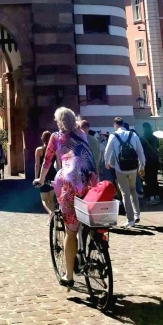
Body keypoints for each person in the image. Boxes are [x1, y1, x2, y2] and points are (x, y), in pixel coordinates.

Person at [33, 107, 97, 287]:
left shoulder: (56, 137)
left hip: (70, 184)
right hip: (91, 182)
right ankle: (94, 246)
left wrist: (40, 179)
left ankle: (69, 276)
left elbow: (47, 161)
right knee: (89, 219)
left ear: (58, 122)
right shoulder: (82, 134)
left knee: (71, 232)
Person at [104, 117, 145, 228]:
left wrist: (106, 162)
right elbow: (140, 151)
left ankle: (130, 219)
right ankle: (137, 214)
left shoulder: (113, 136)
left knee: (125, 193)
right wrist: (142, 165)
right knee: (133, 190)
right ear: (123, 124)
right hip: (133, 168)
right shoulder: (133, 135)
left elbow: (107, 151)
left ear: (115, 125)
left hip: (120, 168)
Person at [34, 130, 57, 215]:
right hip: (53, 174)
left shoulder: (39, 150)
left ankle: (51, 214)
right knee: (51, 199)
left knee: (44, 200)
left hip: (43, 174)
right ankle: (52, 219)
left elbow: (37, 165)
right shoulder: (55, 150)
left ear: (42, 138)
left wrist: (37, 177)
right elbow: (58, 164)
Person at [141, 122, 161, 205]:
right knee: (154, 179)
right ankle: (157, 196)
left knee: (148, 180)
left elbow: (139, 149)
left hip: (147, 161)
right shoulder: (155, 138)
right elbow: (158, 146)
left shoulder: (142, 138)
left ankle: (151, 198)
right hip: (155, 161)